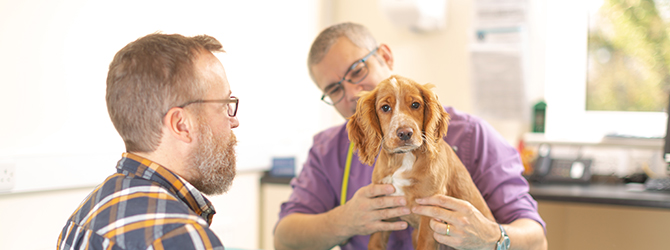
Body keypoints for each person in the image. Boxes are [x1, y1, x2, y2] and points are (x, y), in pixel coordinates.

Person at [274, 22, 548, 250]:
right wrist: (345, 220)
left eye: (357, 70)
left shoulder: (473, 135)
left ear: (385, 56)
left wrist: (492, 237)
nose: (352, 93)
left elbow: (537, 241)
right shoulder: (327, 149)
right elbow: (283, 239)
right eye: (334, 89)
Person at [57, 33, 239, 250]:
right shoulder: (180, 236)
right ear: (181, 124)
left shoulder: (83, 217)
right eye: (224, 105)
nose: (234, 120)